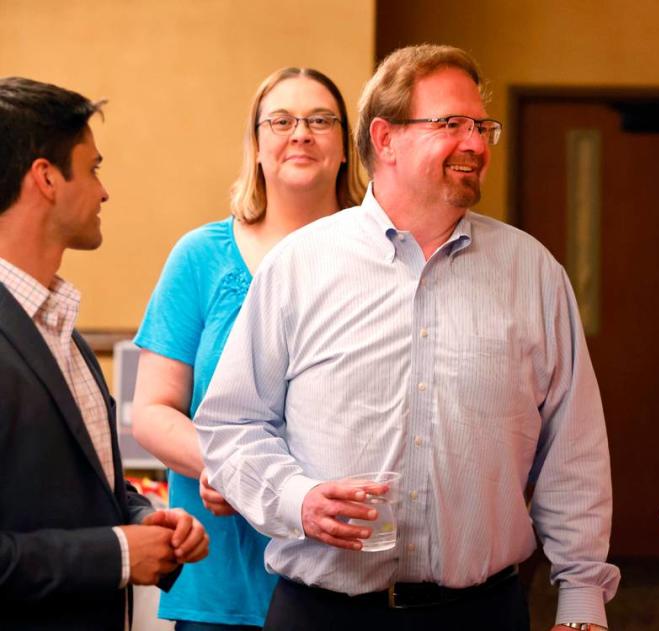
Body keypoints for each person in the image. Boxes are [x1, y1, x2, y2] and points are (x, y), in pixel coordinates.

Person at [194, 44, 620, 631]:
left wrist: (582, 595)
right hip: (323, 611)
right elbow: (231, 425)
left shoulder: (534, 273)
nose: (475, 143)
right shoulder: (300, 266)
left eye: (482, 127)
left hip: (481, 613)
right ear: (385, 138)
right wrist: (296, 500)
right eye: (451, 124)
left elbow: (573, 447)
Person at [131, 67, 363, 630]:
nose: (300, 133)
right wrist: (232, 469)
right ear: (257, 146)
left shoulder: (380, 259)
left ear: (346, 149)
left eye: (320, 120)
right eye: (281, 121)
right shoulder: (199, 256)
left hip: (345, 573)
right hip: (223, 579)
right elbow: (152, 411)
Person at [0, 76, 209, 630]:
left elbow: (87, 493)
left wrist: (146, 521)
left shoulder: (59, 327)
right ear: (46, 178)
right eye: (92, 168)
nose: (104, 191)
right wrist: (117, 554)